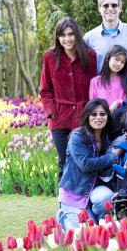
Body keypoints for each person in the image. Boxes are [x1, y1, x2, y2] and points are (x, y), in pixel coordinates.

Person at [40, 17, 97, 180]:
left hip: (84, 118)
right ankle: (63, 205)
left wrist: (92, 114)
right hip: (60, 119)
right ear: (58, 37)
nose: (67, 39)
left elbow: (94, 86)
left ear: (77, 35)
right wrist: (51, 112)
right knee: (64, 163)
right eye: (62, 35)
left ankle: (85, 204)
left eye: (71, 34)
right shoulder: (49, 57)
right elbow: (45, 89)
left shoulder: (90, 56)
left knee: (84, 162)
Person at [57, 98, 119, 230]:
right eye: (94, 114)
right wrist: (112, 157)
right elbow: (85, 164)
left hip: (94, 191)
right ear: (87, 116)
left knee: (106, 198)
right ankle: (65, 217)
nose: (99, 118)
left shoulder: (107, 138)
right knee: (88, 235)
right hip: (75, 191)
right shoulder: (77, 136)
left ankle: (89, 218)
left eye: (102, 114)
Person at [89, 44, 127, 113]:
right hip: (102, 121)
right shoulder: (95, 81)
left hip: (122, 119)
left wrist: (118, 102)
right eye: (116, 59)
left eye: (122, 62)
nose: (119, 64)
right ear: (107, 58)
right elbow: (92, 106)